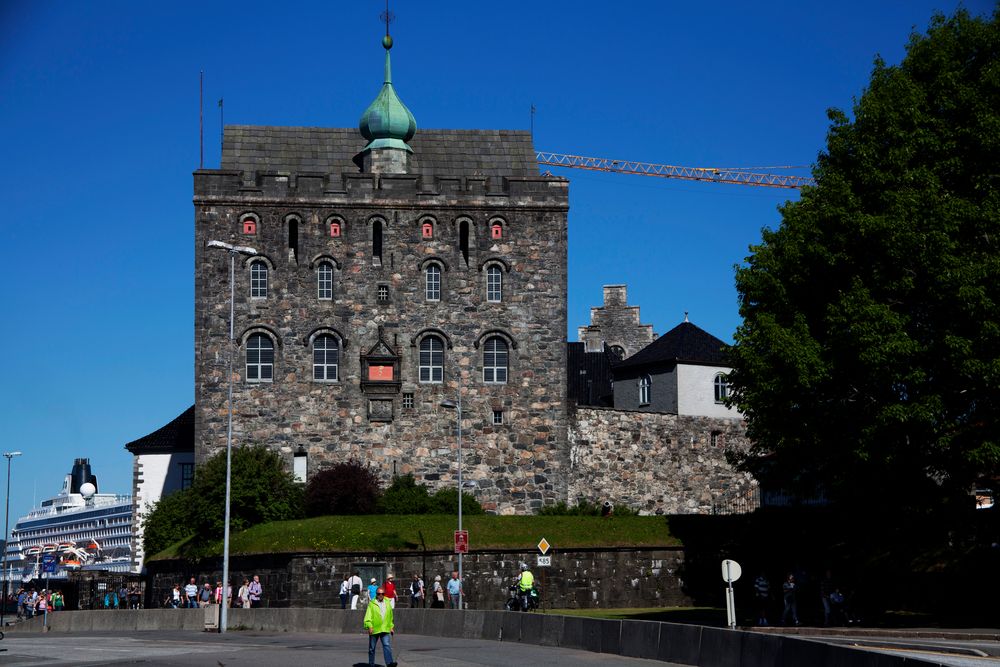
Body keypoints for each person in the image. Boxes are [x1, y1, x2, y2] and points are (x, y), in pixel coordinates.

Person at [363, 587, 397, 667]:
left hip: (385, 628)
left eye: (382, 594)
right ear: (376, 594)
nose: (380, 595)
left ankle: (389, 663)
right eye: (378, 594)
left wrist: (391, 627)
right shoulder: (372, 603)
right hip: (374, 629)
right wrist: (370, 626)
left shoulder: (387, 602)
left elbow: (390, 616)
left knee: (386, 645)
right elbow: (368, 617)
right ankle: (371, 664)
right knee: (372, 648)